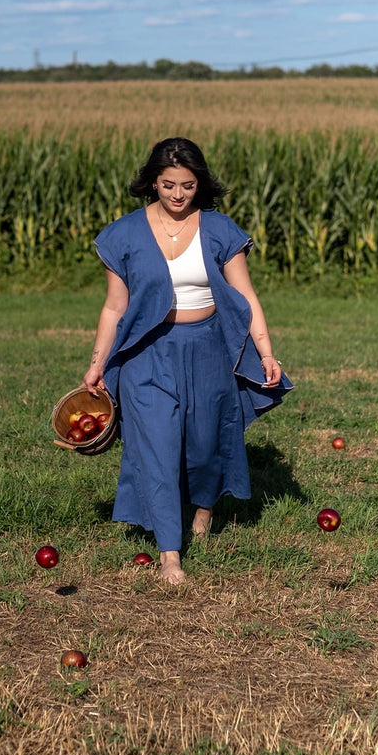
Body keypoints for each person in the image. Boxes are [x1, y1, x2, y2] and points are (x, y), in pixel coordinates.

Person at [82, 137, 292, 585]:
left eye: (188, 186)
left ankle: (204, 506)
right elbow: (113, 308)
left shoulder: (219, 230)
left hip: (208, 348)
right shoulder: (123, 235)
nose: (178, 195)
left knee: (203, 443)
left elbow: (245, 296)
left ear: (201, 184)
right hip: (146, 352)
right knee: (156, 446)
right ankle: (170, 555)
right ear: (151, 183)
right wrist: (98, 362)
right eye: (168, 184)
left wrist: (266, 350)